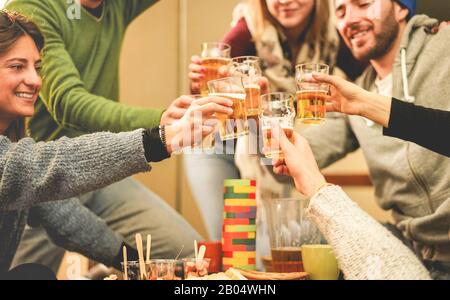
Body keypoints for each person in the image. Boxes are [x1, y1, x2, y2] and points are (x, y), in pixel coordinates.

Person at [0, 9, 232, 278]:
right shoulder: (20, 164)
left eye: (37, 68)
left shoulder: (16, 146)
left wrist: (141, 266)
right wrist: (162, 137)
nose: (35, 80)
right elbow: (42, 163)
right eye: (17, 66)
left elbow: (67, 219)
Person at [184, 0, 366, 249]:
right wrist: (197, 87)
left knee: (267, 246)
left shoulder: (332, 36)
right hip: (220, 145)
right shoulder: (247, 29)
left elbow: (372, 73)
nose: (283, 1)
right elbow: (211, 89)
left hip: (266, 146)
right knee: (233, 245)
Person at [297, 0, 450, 279]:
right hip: (413, 251)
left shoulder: (445, 44)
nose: (349, 20)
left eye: (363, 3)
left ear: (402, 8)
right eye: (341, 11)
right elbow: (299, 152)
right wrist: (257, 118)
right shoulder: (353, 93)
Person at [269, 127, 431, 279]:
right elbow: (284, 165)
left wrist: (313, 183)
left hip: (442, 241)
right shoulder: (346, 107)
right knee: (305, 238)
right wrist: (257, 130)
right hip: (406, 235)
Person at [307, 73, 450, 157]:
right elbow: (317, 146)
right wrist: (285, 149)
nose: (351, 20)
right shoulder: (356, 88)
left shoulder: (442, 44)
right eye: (341, 18)